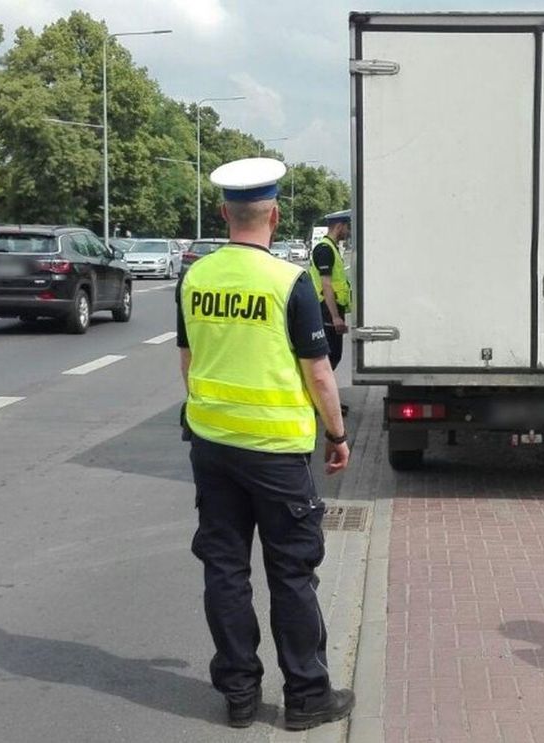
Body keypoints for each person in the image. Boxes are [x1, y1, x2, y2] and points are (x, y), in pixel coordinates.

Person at [177, 157, 355, 731]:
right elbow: (320, 372)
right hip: (277, 453)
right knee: (292, 573)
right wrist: (337, 434)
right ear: (274, 216)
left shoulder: (195, 277)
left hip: (211, 446)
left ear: (225, 213)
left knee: (225, 569)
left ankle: (239, 695)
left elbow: (188, 362)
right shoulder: (288, 281)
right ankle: (306, 697)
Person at [308, 210, 352, 372]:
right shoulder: (325, 249)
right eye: (347, 228)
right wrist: (335, 317)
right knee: (330, 357)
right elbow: (326, 285)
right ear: (339, 227)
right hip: (326, 311)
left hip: (331, 309)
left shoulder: (331, 248)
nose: (348, 232)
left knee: (334, 356)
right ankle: (318, 396)